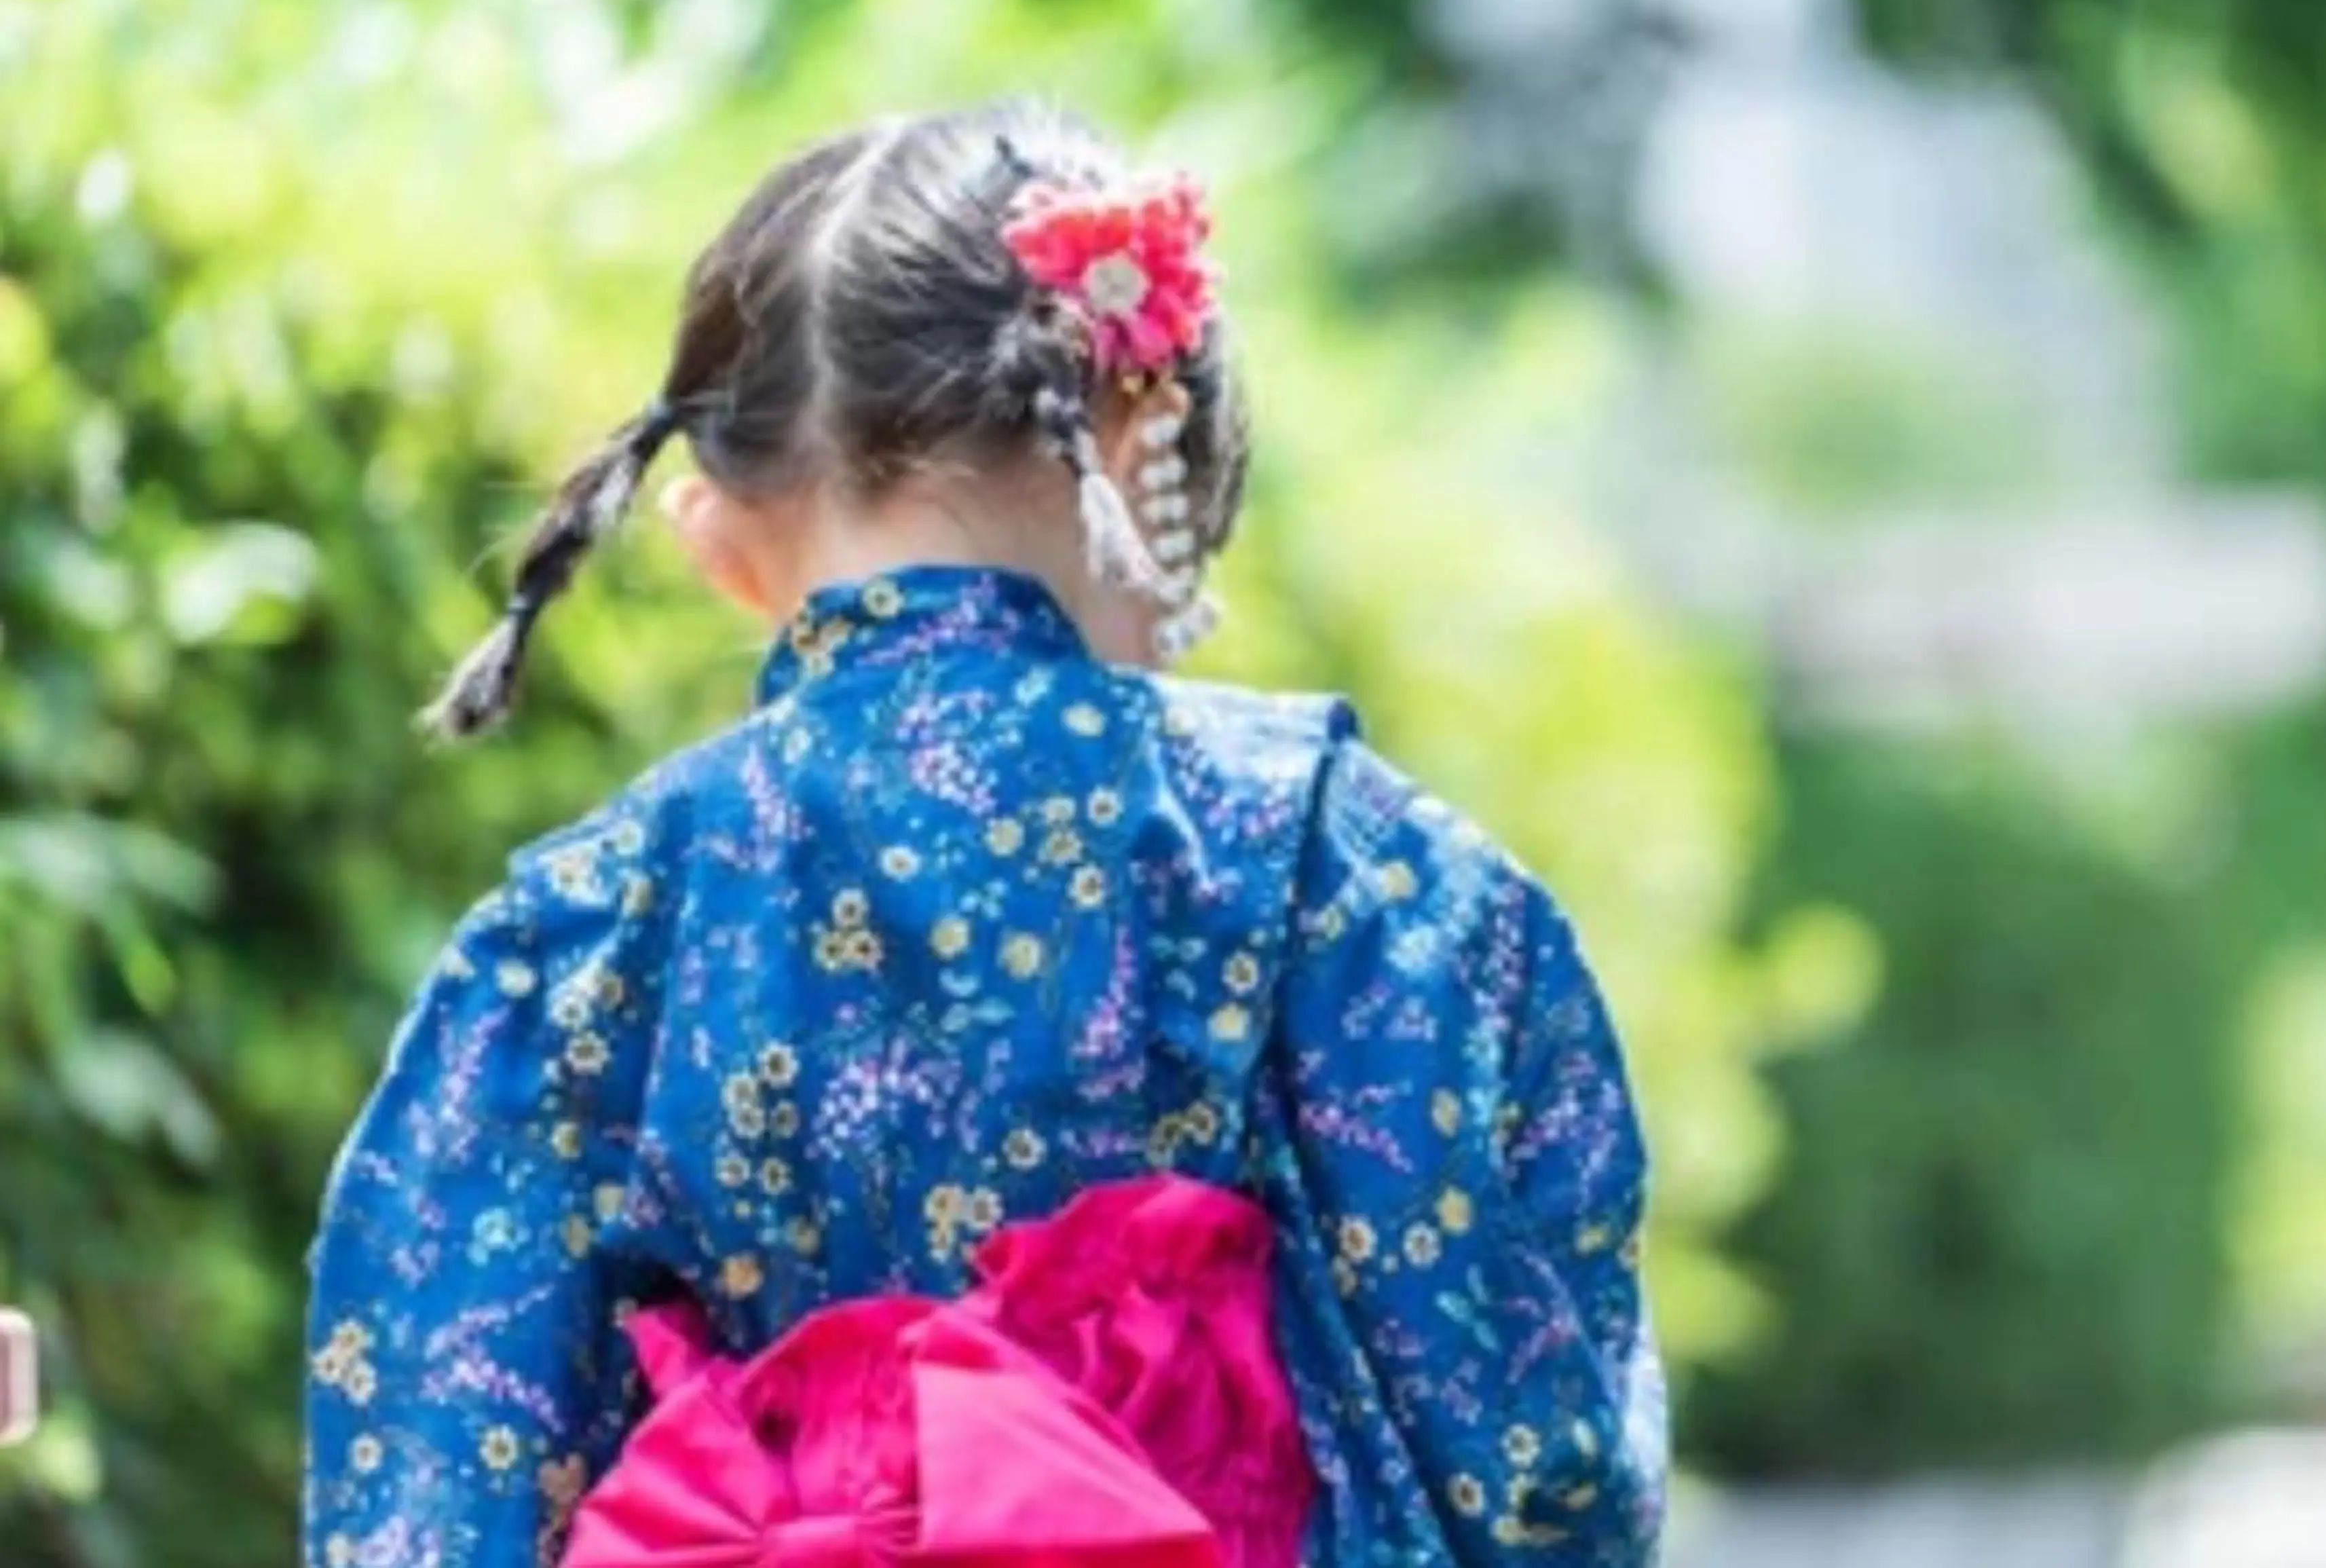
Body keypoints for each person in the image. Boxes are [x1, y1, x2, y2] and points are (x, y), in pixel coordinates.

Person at [300, 98, 1666, 1568]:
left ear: (717, 540)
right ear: (1142, 427)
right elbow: (1540, 1460)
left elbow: (429, 1488)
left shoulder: (574, 943)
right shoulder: (1375, 883)